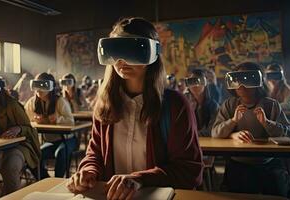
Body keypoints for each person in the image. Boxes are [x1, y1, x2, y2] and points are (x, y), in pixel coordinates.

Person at [66, 17, 203, 199]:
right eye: (115, 50)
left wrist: (139, 179)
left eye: (132, 50)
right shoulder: (105, 103)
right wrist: (88, 171)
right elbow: (96, 153)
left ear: (152, 54)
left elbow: (189, 170)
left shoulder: (174, 105)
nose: (122, 60)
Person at [212, 62, 290, 196]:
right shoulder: (230, 105)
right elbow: (215, 132)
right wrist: (233, 124)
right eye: (237, 79)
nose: (241, 84)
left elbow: (287, 133)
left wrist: (267, 123)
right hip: (238, 163)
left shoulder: (271, 105)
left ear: (258, 82)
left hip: (267, 163)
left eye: (247, 79)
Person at [25, 72, 75, 178]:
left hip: (67, 140)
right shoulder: (32, 102)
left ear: (51, 87)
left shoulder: (59, 101)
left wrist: (57, 119)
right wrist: (35, 120)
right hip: (51, 141)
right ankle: (46, 180)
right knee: (33, 156)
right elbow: (25, 119)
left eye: (42, 86)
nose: (39, 89)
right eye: (36, 85)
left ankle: (58, 181)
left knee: (60, 153)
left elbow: (71, 121)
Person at [185, 69, 219, 137]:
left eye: (200, 81)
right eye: (191, 82)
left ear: (205, 83)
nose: (196, 85)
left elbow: (211, 130)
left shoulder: (213, 106)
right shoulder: (186, 105)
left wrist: (190, 135)